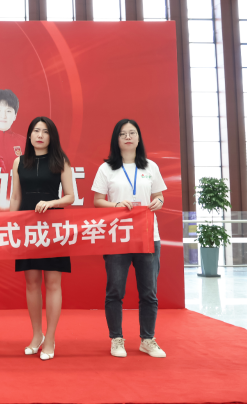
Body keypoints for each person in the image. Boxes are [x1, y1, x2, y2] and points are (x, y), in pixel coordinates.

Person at [92, 118, 167, 359]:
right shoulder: (106, 169)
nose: (128, 137)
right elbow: (97, 201)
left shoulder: (150, 167)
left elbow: (159, 196)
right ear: (116, 139)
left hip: (148, 236)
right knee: (115, 290)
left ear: (138, 138)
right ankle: (116, 339)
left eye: (132, 133)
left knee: (149, 292)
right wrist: (115, 205)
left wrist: (158, 202)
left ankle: (148, 339)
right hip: (118, 237)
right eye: (123, 133)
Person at [8, 117, 75, 361]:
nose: (40, 135)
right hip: (27, 228)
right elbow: (16, 197)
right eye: (36, 131)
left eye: (45, 131)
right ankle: (37, 335)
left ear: (51, 136)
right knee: (32, 283)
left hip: (53, 227)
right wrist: (10, 226)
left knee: (53, 283)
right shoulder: (19, 162)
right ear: (29, 135)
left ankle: (50, 338)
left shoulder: (60, 160)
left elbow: (70, 197)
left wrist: (51, 202)